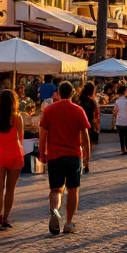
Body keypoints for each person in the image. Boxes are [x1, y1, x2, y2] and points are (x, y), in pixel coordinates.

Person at [39, 81, 90, 235]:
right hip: (73, 155)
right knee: (73, 190)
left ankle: (55, 210)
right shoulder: (78, 110)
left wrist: (42, 153)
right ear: (72, 93)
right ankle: (68, 223)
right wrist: (87, 152)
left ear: (59, 94)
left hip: (55, 156)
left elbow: (43, 135)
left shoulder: (49, 110)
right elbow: (84, 134)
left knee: (56, 189)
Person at [0, 90, 24, 230]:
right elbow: (20, 138)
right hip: (15, 154)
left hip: (0, 154)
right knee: (10, 189)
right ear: (14, 103)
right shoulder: (17, 118)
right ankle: (6, 218)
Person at [78, 82, 101, 158]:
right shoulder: (92, 101)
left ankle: (83, 157)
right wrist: (97, 125)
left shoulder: (79, 100)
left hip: (80, 123)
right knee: (89, 142)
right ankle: (87, 159)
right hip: (90, 122)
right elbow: (96, 113)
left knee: (81, 142)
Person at [114, 85, 127, 155]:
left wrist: (115, 119)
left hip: (119, 120)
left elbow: (115, 111)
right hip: (126, 120)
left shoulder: (117, 101)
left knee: (121, 136)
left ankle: (122, 149)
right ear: (124, 91)